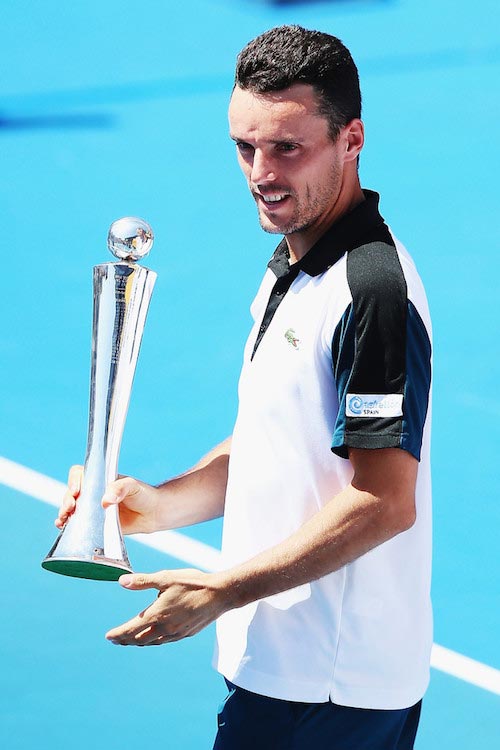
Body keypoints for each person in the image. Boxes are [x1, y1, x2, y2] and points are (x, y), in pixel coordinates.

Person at [57, 25, 433, 750]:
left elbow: (385, 501)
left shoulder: (372, 291)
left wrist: (222, 589)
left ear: (351, 139)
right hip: (281, 671)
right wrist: (158, 504)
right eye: (245, 146)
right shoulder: (289, 266)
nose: (261, 171)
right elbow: (281, 445)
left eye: (287, 147)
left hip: (331, 690)